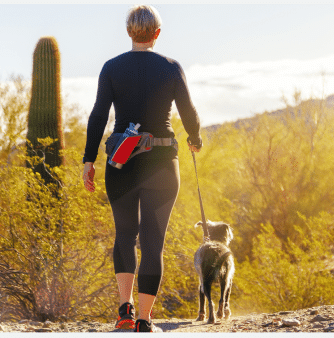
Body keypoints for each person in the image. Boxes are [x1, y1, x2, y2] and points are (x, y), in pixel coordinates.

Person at [82, 5, 202, 333]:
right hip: (163, 164)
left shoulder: (111, 68)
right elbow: (189, 111)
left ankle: (124, 311)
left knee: (124, 235)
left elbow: (98, 116)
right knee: (153, 242)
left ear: (128, 32)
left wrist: (88, 160)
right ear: (157, 33)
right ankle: (144, 321)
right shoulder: (171, 67)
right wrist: (195, 138)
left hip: (121, 162)